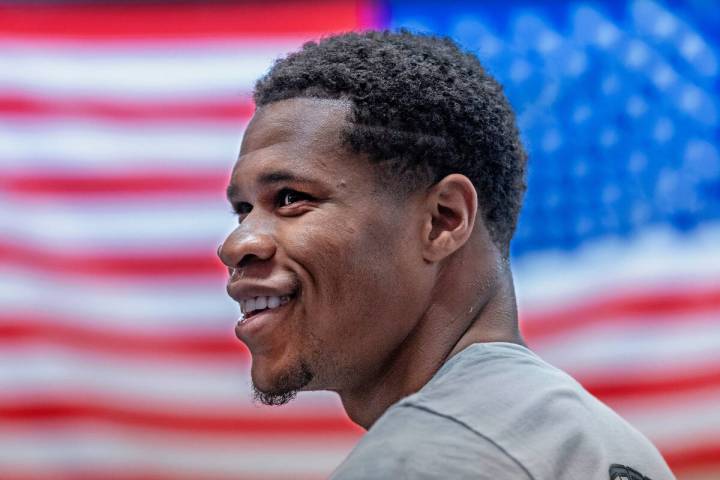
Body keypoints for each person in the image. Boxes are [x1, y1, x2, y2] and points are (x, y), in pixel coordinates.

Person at [217, 30, 674, 479]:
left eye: (291, 198)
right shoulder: (617, 448)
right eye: (243, 210)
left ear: (443, 220)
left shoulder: (422, 458)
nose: (235, 245)